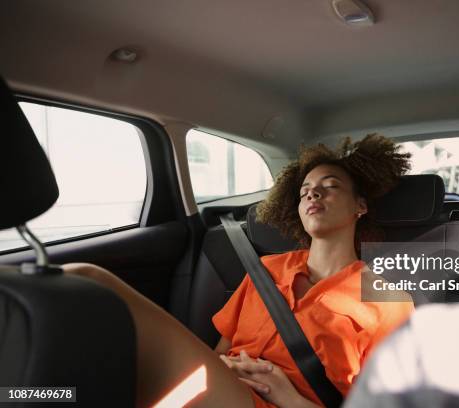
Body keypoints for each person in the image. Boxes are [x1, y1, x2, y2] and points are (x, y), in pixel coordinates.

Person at [63, 134, 414, 408]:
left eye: (330, 186)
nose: (313, 195)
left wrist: (286, 395)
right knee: (81, 295)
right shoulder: (266, 269)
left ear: (360, 206)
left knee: (89, 279)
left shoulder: (388, 299)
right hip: (219, 389)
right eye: (305, 190)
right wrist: (226, 370)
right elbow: (219, 354)